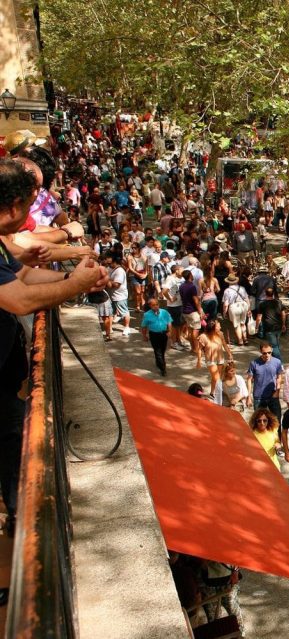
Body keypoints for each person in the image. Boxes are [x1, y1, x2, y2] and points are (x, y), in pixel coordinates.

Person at [0, 158, 107, 536]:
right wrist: (75, 285)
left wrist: (73, 276)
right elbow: (19, 300)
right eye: (29, 205)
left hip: (7, 382)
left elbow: (25, 274)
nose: (33, 215)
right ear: (12, 207)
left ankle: (20, 522)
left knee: (13, 442)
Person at [198, 560, 244, 633]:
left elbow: (238, 553)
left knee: (233, 610)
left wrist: (236, 570)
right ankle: (218, 634)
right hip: (206, 579)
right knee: (212, 615)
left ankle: (240, 634)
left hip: (228, 578)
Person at [246, 345, 284, 423]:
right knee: (258, 422)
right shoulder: (254, 363)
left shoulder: (277, 362)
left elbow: (279, 377)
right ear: (261, 352)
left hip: (273, 396)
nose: (267, 355)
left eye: (269, 352)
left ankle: (278, 435)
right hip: (259, 397)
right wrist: (248, 396)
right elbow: (249, 380)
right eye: (264, 353)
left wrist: (277, 391)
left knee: (277, 421)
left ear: (272, 351)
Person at [196, 319, 231, 394]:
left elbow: (224, 345)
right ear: (213, 328)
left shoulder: (220, 334)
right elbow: (199, 350)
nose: (220, 327)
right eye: (218, 326)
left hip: (220, 359)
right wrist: (199, 361)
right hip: (210, 360)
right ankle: (219, 396)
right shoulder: (203, 336)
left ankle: (212, 392)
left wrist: (229, 354)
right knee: (217, 379)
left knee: (215, 378)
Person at [139, 297, 172, 376]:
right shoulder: (147, 315)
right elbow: (144, 326)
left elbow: (169, 322)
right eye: (153, 305)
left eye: (157, 304)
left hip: (163, 334)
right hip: (154, 335)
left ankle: (159, 362)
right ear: (150, 306)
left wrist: (169, 331)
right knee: (157, 351)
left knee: (162, 350)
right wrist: (144, 336)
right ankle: (163, 368)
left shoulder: (164, 312)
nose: (156, 306)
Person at [105, 250, 132, 336]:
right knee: (110, 312)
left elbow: (116, 284)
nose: (107, 260)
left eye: (108, 258)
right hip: (111, 295)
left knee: (124, 312)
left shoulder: (120, 271)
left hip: (120, 296)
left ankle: (127, 327)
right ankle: (110, 328)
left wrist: (107, 281)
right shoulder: (109, 268)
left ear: (114, 260)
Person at [255, 288, 286, 360]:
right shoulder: (278, 302)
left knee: (274, 346)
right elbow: (283, 314)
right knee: (276, 344)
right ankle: (275, 359)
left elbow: (259, 317)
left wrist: (256, 327)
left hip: (269, 328)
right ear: (273, 294)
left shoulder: (262, 304)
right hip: (278, 326)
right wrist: (284, 324)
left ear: (265, 294)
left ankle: (279, 363)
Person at [162, 262, 186, 349]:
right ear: (176, 271)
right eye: (182, 270)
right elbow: (164, 291)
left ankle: (178, 340)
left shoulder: (180, 278)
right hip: (173, 306)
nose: (183, 272)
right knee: (174, 325)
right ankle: (173, 342)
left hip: (180, 304)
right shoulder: (170, 279)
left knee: (179, 324)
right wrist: (170, 299)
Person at [221, 273, 249, 346]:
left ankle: (240, 341)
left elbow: (226, 303)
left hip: (234, 307)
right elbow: (247, 299)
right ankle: (245, 338)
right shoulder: (242, 288)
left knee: (237, 325)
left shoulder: (227, 290)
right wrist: (249, 309)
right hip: (243, 305)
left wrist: (224, 312)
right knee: (243, 323)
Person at [179, 269, 201, 353]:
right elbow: (195, 300)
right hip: (192, 311)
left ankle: (192, 348)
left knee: (191, 331)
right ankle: (196, 349)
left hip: (185, 311)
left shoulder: (181, 286)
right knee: (196, 331)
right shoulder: (192, 286)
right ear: (190, 276)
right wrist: (200, 311)